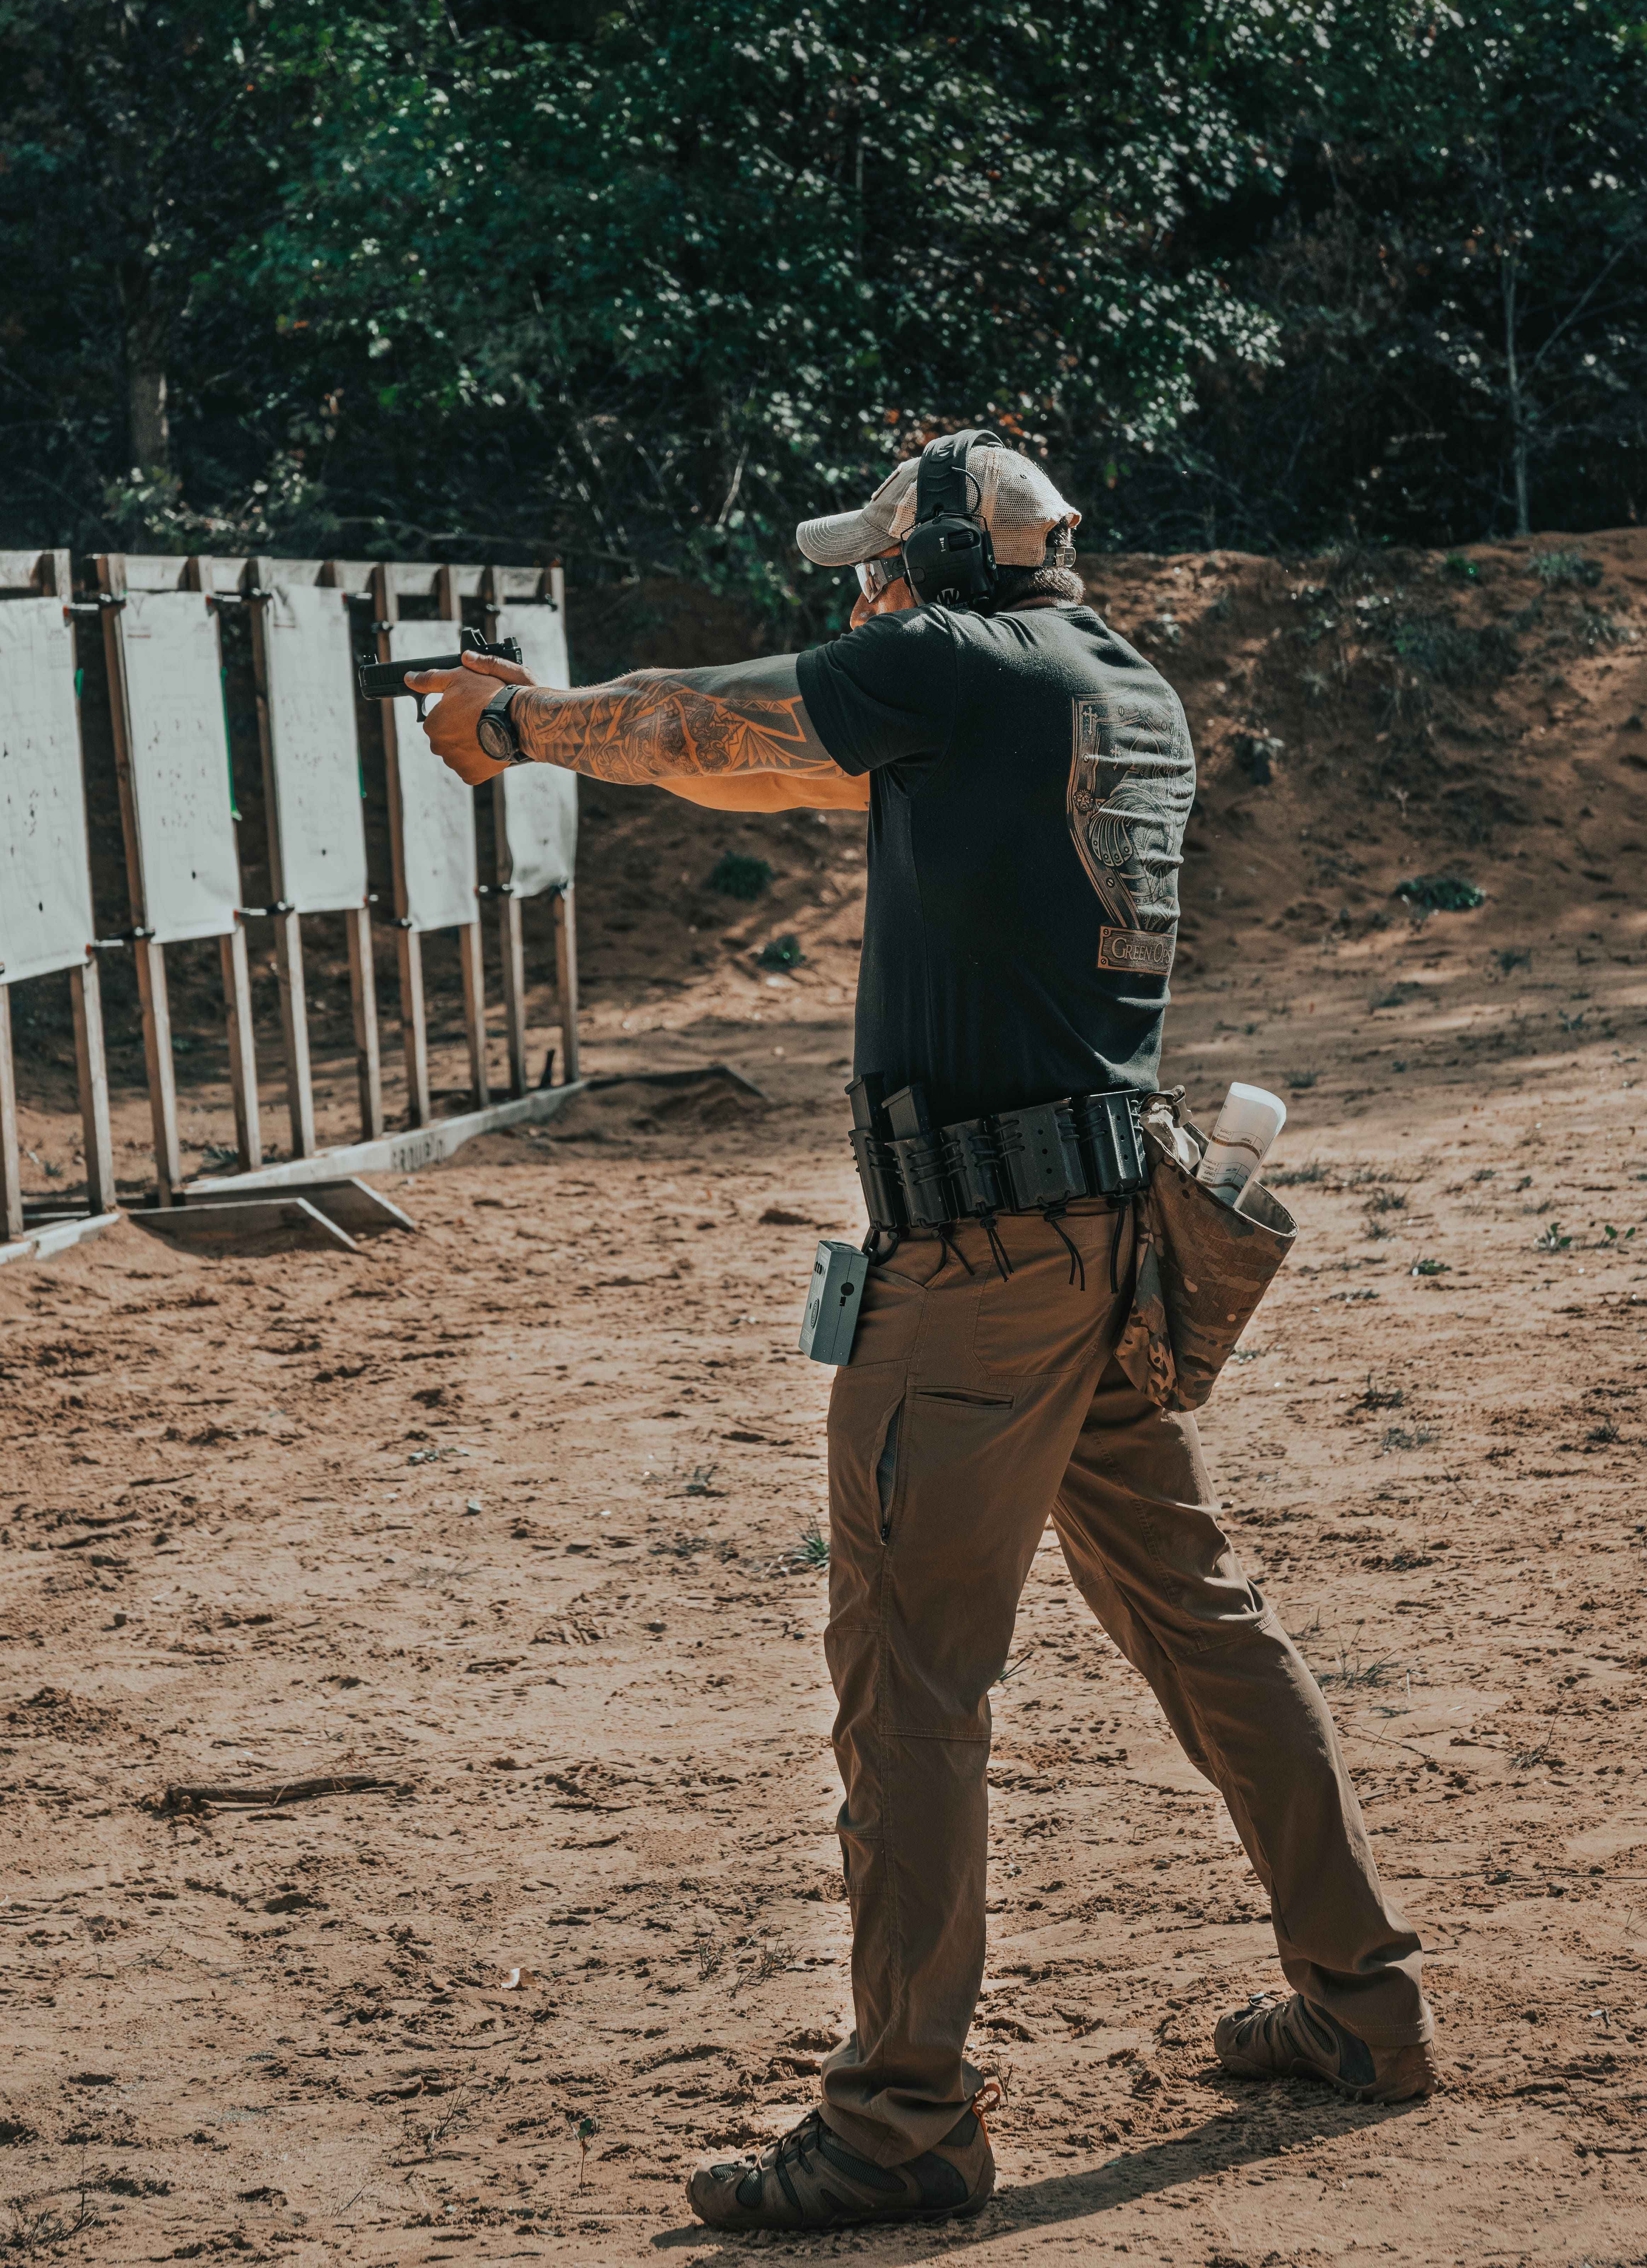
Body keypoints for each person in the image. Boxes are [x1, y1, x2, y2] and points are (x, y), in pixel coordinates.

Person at [409, 431, 1434, 2235]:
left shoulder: (952, 663)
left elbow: (713, 725)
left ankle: (899, 2121)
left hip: (975, 1267)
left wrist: (518, 727)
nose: (857, 596)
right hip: (1115, 1235)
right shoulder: (1110, 688)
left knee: (909, 1686)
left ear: (944, 560)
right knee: (1204, 1624)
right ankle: (1362, 2004)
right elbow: (776, 774)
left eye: (876, 566)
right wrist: (564, 723)